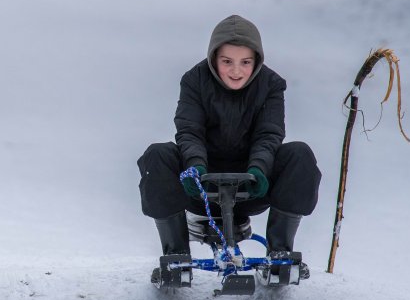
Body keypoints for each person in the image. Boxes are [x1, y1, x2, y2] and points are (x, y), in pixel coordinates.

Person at [137, 15, 321, 273]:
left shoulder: (270, 85)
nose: (236, 71)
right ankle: (175, 254)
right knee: (157, 155)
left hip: (253, 185)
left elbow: (268, 134)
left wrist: (258, 170)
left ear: (256, 60)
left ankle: (280, 253)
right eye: (227, 62)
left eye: (245, 62)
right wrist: (195, 168)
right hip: (200, 186)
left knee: (300, 154)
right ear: (214, 59)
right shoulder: (194, 80)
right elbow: (190, 131)